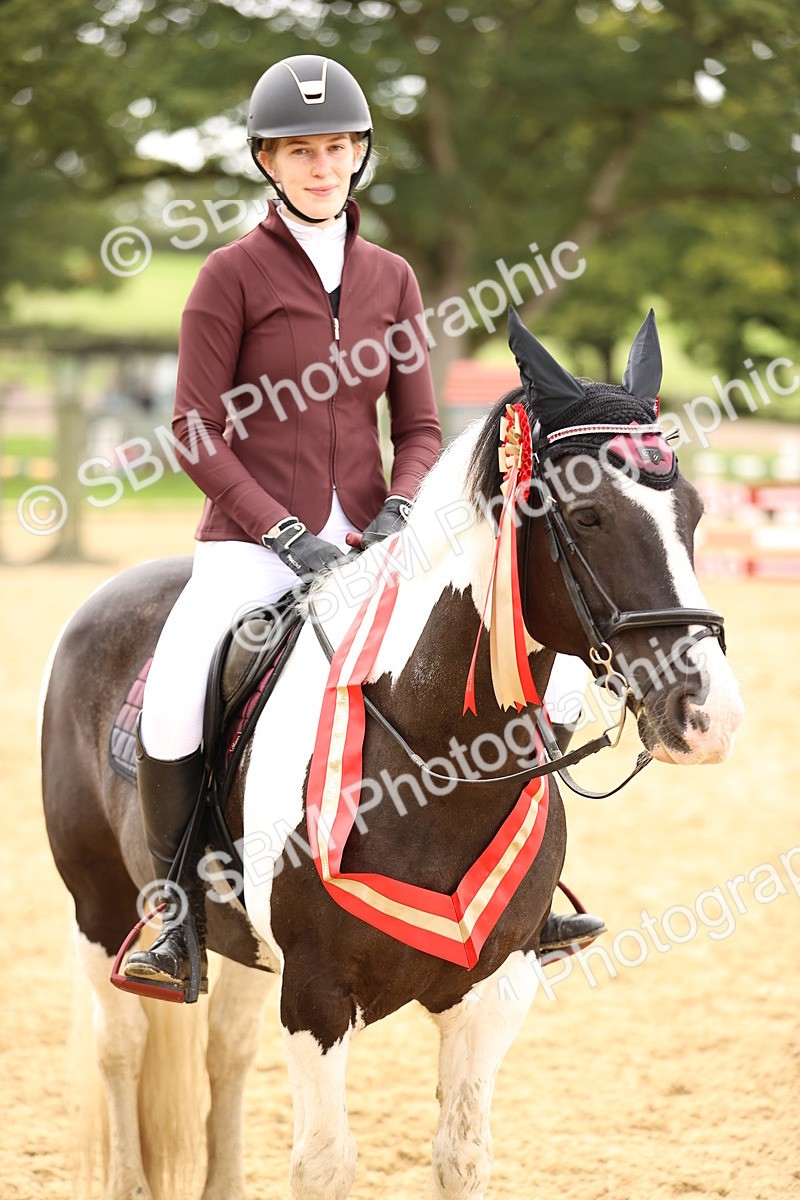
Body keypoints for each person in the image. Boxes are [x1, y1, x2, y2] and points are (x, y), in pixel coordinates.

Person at [122, 54, 603, 998]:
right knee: (181, 684)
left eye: (338, 147)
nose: (322, 166)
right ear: (266, 160)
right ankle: (174, 912)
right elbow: (193, 426)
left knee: (522, 665)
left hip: (381, 544)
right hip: (249, 549)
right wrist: (279, 531)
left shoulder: (392, 278)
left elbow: (418, 427)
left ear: (360, 154)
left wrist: (397, 508)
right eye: (300, 150)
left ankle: (530, 895)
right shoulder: (230, 276)